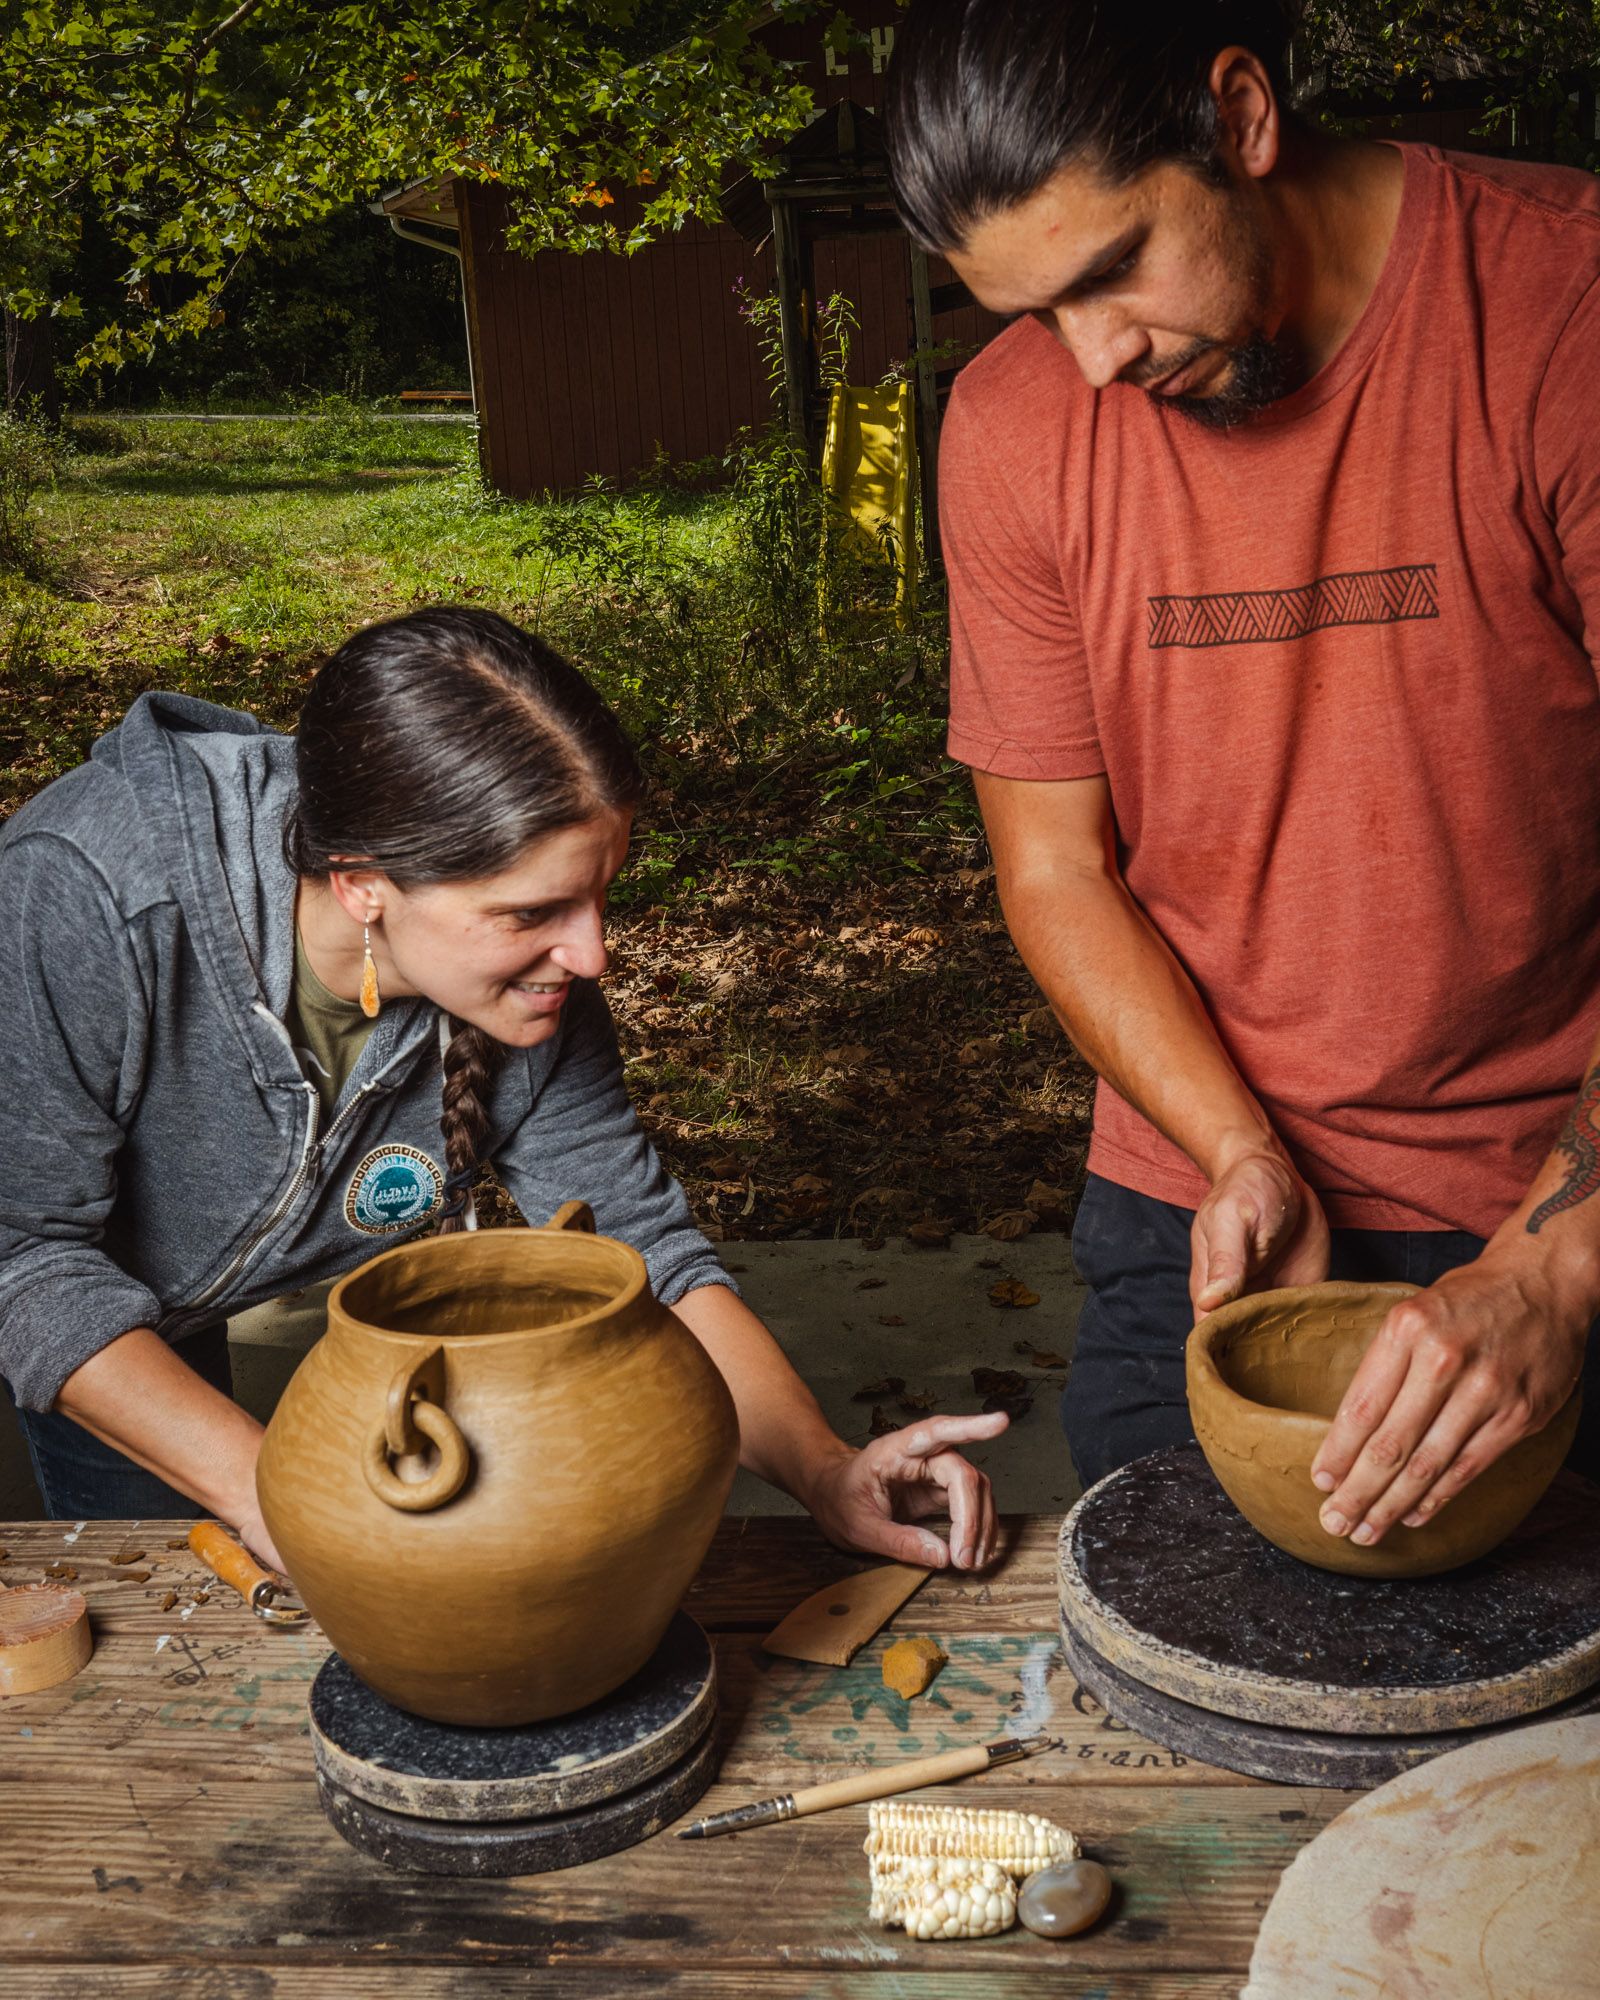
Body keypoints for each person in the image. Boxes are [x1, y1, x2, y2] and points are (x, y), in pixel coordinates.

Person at [884, 0, 1600, 1549]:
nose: (1095, 362)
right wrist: (1237, 1149)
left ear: (1243, 119)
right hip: (1204, 1192)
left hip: (1561, 1179)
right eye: (1029, 314)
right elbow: (1055, 871)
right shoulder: (1013, 429)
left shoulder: (1564, 308)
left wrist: (1551, 1266)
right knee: (1191, 1670)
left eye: (1108, 274)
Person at [0, 606, 1006, 1571]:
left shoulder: (527, 990)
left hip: (154, 1289)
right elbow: (26, 1262)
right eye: (532, 910)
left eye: (600, 891)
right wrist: (280, 1493)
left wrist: (825, 1471)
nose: (593, 952)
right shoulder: (91, 891)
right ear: (363, 885)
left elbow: (648, 1255)